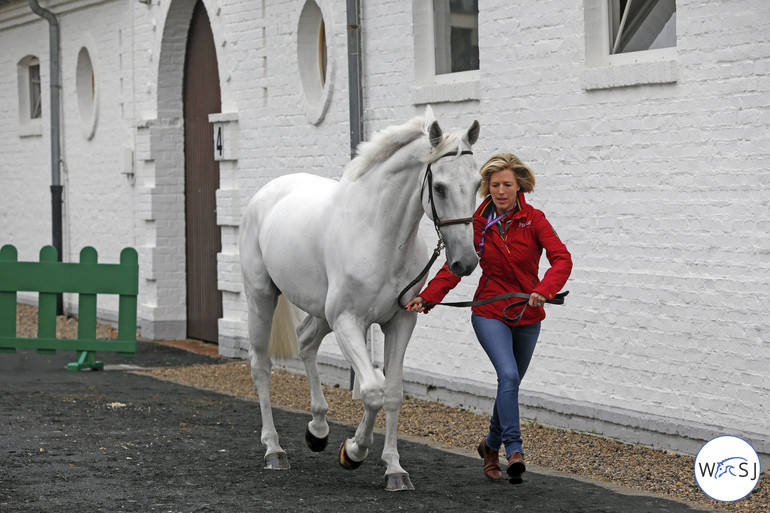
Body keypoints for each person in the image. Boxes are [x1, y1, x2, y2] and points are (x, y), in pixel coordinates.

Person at [405, 153, 572, 483]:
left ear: (518, 186)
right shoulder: (478, 222)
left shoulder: (534, 220)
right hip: (490, 312)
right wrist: (428, 297)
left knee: (510, 384)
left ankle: (489, 446)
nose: (500, 191)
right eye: (494, 185)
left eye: (507, 184)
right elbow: (458, 267)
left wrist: (544, 289)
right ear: (487, 188)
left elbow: (562, 259)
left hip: (528, 313)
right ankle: (514, 449)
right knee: (507, 374)